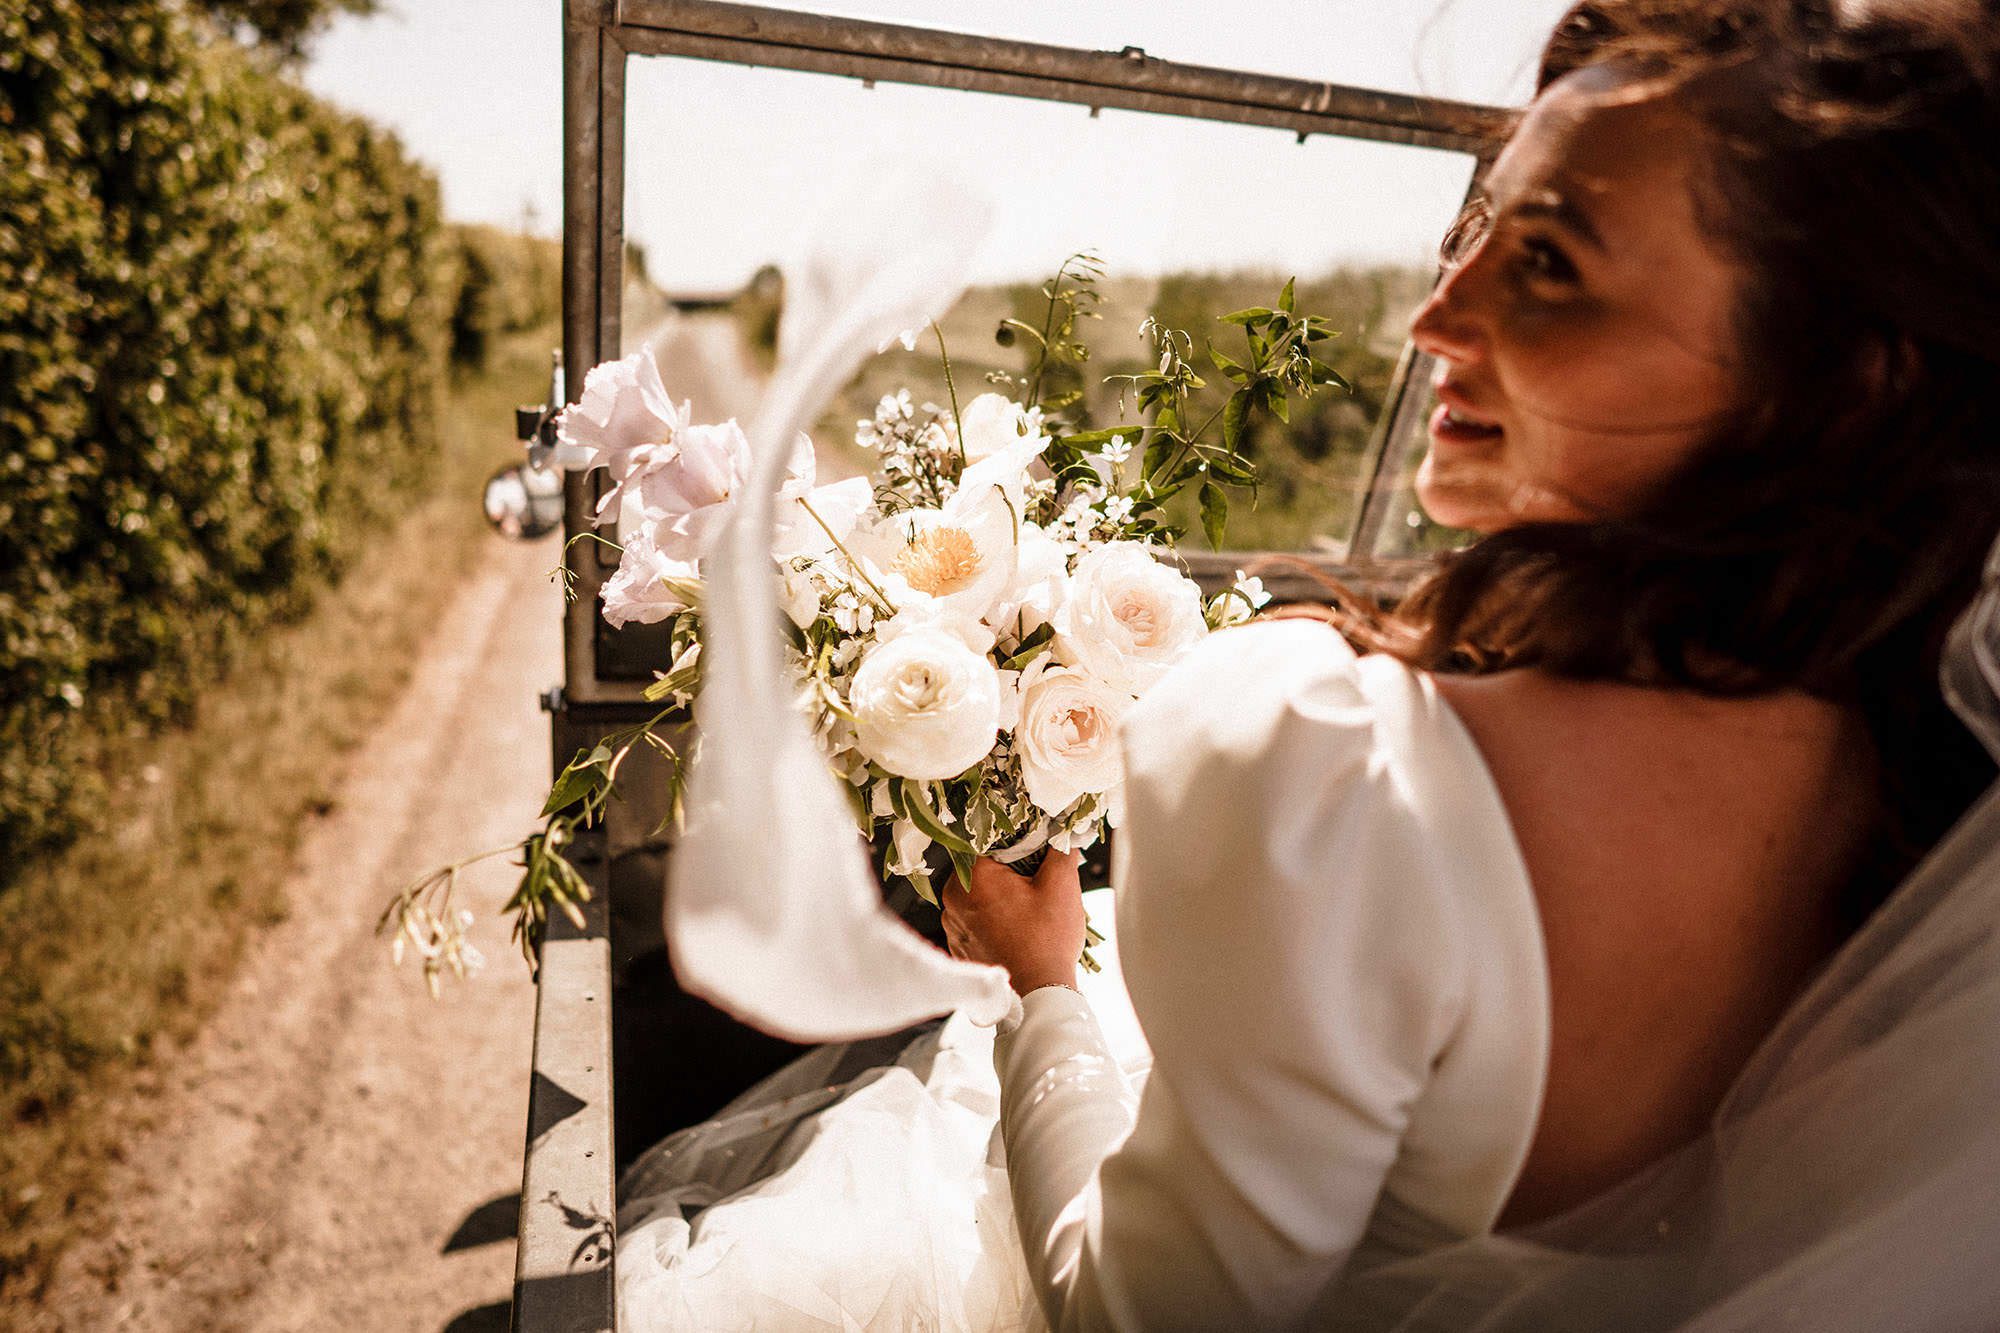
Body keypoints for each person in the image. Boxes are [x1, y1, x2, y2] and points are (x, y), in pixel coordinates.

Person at [617, 0, 2000, 1326]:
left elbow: (1130, 1319)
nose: (1433, 319)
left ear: (1833, 378)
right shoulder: (1933, 793)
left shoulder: (1335, 768)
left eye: (1552, 263)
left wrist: (1042, 988)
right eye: (1479, 231)